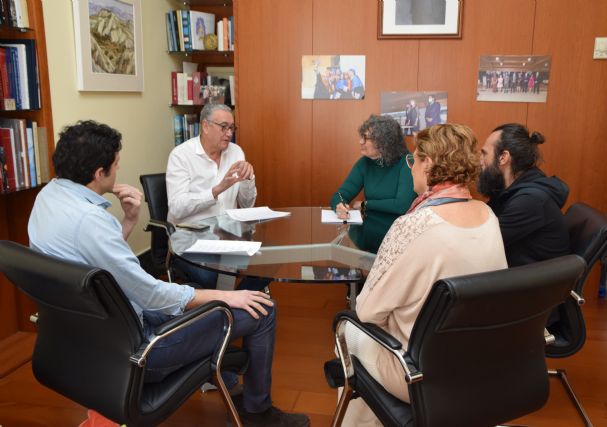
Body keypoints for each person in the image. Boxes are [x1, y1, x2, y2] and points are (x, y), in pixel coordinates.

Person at [28, 120, 309, 427]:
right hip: (139, 349)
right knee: (261, 308)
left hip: (89, 340)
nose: (117, 170)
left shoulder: (48, 198)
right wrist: (227, 296)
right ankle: (257, 413)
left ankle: (227, 373)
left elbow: (94, 266)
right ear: (99, 174)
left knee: (208, 298)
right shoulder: (90, 220)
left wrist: (129, 220)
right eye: (116, 165)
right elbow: (152, 293)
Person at [340, 124, 507, 426]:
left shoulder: (414, 226)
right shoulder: (489, 216)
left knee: (348, 330)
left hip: (420, 372)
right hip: (479, 365)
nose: (411, 166)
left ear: (428, 164)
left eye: (414, 159)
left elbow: (367, 310)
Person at [166, 103, 259, 288]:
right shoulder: (181, 156)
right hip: (192, 239)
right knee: (214, 277)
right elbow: (176, 208)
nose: (229, 133)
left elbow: (246, 203)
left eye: (232, 127)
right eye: (223, 127)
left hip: (230, 236)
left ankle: (233, 302)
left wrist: (249, 179)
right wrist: (216, 190)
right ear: (206, 126)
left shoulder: (236, 152)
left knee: (269, 264)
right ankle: (229, 303)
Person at [477, 123, 570, 267]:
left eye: (484, 153)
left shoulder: (530, 201)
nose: (480, 160)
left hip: (533, 285)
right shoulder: (507, 191)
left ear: (503, 157)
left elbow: (483, 244)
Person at [330, 115, 416, 253]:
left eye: (366, 138)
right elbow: (340, 194)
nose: (360, 141)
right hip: (365, 237)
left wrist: (366, 204)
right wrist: (339, 205)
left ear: (384, 142)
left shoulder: (407, 162)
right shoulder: (365, 162)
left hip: (395, 239)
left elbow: (402, 205)